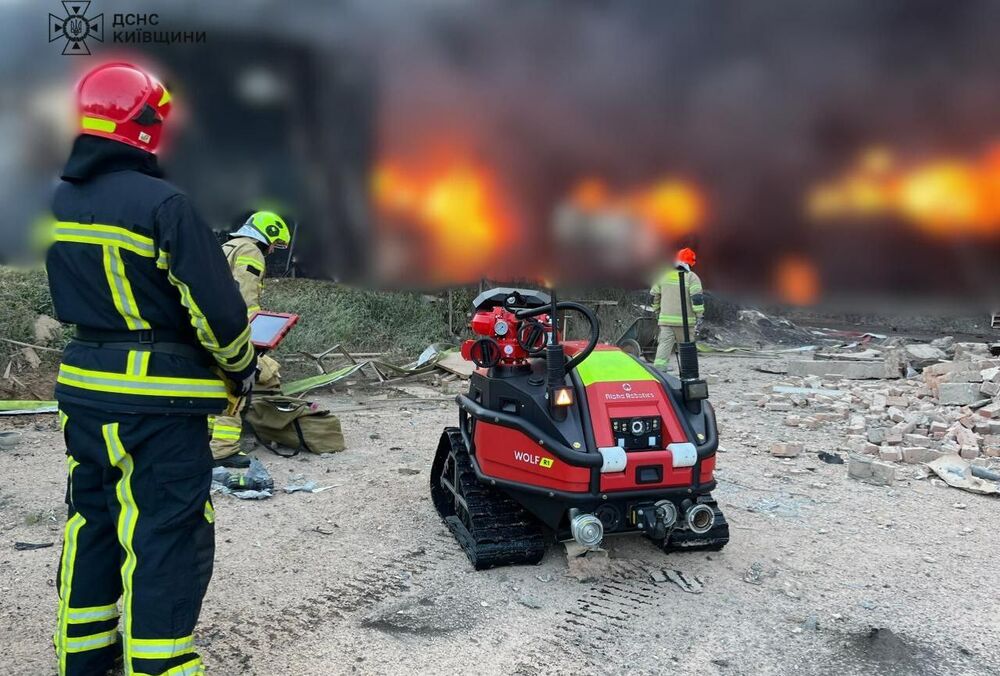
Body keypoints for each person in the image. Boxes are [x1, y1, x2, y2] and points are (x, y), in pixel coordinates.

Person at [47, 62, 256, 676]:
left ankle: (82, 658)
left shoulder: (59, 202)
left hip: (83, 392)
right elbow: (218, 314)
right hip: (156, 407)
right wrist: (241, 368)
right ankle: (160, 666)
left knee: (93, 522)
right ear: (144, 125)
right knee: (165, 533)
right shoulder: (165, 205)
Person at [209, 211, 290, 467]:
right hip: (232, 332)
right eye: (274, 244)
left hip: (209, 328)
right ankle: (223, 450)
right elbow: (245, 297)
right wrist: (254, 335)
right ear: (268, 235)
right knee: (236, 387)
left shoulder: (226, 247)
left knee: (213, 387)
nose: (272, 251)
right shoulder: (250, 251)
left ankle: (208, 439)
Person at [651, 247, 705, 370]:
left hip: (666, 321)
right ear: (690, 263)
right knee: (687, 349)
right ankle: (689, 373)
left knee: (663, 346)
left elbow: (654, 296)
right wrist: (699, 315)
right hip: (685, 323)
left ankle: (659, 372)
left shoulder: (663, 275)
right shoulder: (692, 277)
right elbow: (697, 298)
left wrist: (657, 311)